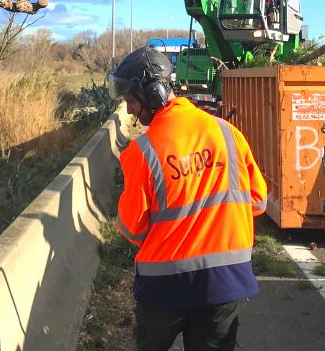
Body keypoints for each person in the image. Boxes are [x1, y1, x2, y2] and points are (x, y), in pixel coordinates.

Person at [108, 47, 269, 351]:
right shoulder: (227, 133)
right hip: (225, 283)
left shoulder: (141, 153)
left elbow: (132, 230)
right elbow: (258, 201)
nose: (129, 111)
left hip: (162, 289)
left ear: (153, 94)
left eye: (131, 101)